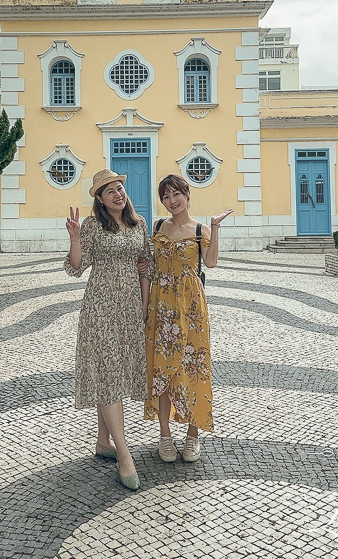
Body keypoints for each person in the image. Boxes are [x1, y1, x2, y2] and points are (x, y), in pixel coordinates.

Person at [64, 169, 152, 491]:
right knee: (109, 374)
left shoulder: (138, 224)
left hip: (129, 308)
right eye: (109, 191)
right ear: (100, 200)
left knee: (112, 374)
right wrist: (75, 239)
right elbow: (76, 267)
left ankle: (103, 441)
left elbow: (146, 266)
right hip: (100, 309)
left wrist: (143, 307)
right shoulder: (92, 226)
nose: (118, 194)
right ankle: (124, 454)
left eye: (119, 188)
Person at [144, 174, 233, 464]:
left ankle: (193, 435)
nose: (172, 201)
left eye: (176, 194)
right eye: (166, 197)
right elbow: (148, 264)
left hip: (191, 307)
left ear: (186, 194)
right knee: (162, 370)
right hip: (161, 305)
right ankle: (165, 436)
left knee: (194, 367)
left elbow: (210, 262)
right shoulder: (157, 227)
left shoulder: (199, 229)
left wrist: (215, 228)